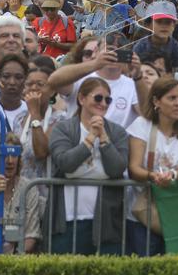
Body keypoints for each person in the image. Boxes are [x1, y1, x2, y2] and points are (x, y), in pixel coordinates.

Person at [48, 77, 130, 254]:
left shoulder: (117, 132)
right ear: (81, 99)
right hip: (67, 219)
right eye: (98, 98)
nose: (103, 104)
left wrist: (105, 139)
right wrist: (90, 138)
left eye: (108, 100)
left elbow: (117, 168)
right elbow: (65, 163)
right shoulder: (63, 128)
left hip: (106, 221)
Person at [126, 76, 178, 255]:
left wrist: (171, 176)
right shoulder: (141, 125)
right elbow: (134, 168)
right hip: (143, 212)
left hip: (176, 210)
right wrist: (152, 176)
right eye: (172, 98)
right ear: (156, 101)